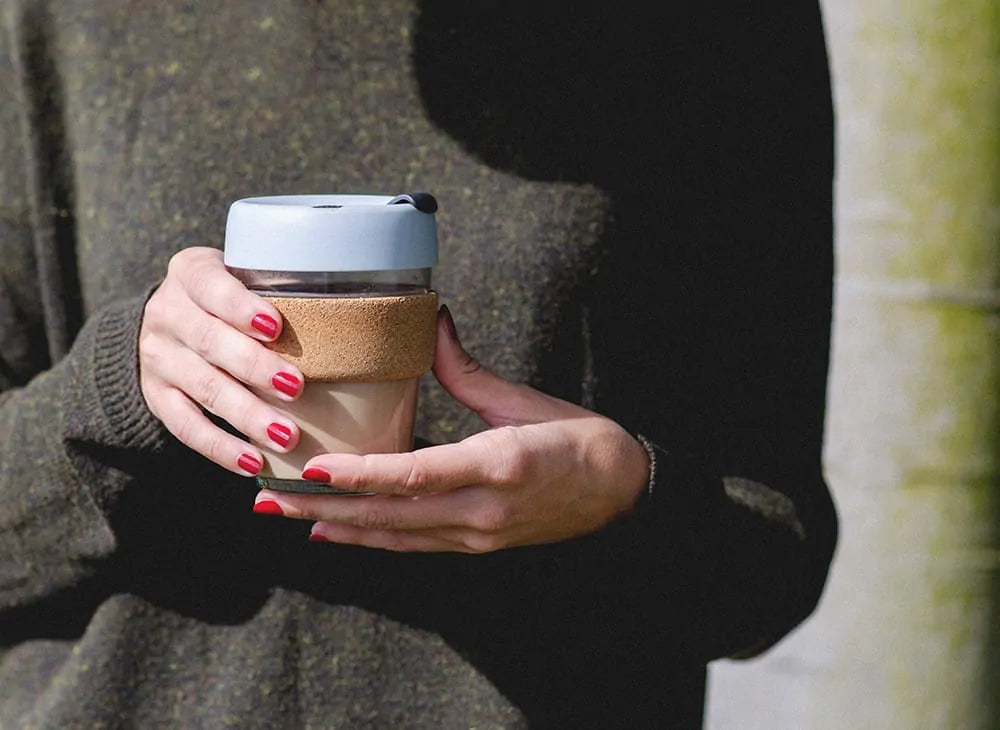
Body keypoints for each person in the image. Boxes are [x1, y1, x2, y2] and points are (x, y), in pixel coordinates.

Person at [0, 2, 837, 727]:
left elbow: (777, 556)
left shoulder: (715, 27)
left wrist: (625, 498)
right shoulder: (59, 17)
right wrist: (119, 390)